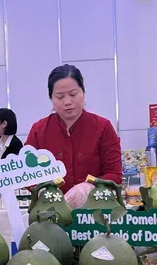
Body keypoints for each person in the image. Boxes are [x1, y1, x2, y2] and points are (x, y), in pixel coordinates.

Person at [25, 64, 122, 207]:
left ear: (83, 92)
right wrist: (43, 191)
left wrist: (88, 189)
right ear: (51, 98)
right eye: (60, 97)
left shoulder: (103, 127)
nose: (68, 102)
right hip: (51, 212)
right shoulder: (38, 130)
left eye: (73, 94)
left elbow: (114, 174)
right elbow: (27, 173)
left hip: (95, 211)